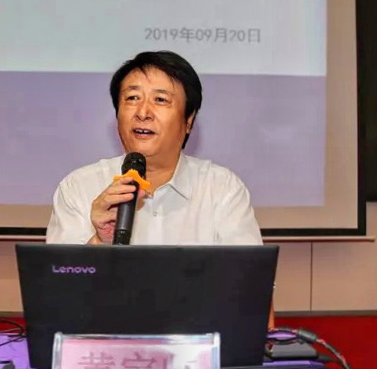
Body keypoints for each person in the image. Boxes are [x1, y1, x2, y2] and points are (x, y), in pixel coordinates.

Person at [46, 50, 263, 246]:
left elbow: (246, 274)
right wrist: (99, 241)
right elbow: (59, 276)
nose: (143, 113)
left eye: (160, 99)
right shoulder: (79, 188)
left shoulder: (222, 190)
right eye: (132, 98)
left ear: (188, 120)